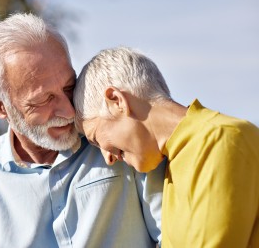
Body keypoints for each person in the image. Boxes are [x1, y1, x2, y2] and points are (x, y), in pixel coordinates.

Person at [0, 14, 165, 247]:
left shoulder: (120, 137)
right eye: (44, 99)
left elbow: (171, 236)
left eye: (69, 86)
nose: (69, 111)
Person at [73, 46, 259, 247]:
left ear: (117, 101)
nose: (107, 158)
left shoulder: (221, 138)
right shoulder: (175, 164)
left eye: (95, 139)